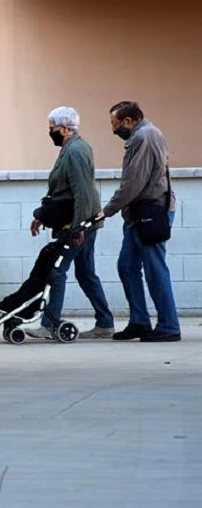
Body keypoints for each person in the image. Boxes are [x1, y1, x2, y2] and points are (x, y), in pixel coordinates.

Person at [25, 107, 114, 340]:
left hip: (78, 224)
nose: (50, 132)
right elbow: (60, 189)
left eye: (52, 128)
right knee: (85, 273)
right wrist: (42, 215)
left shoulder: (75, 151)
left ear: (64, 128)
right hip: (81, 221)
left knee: (56, 271)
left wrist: (78, 227)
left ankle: (49, 324)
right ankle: (105, 322)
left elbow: (82, 192)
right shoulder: (71, 148)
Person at [100, 102, 180, 342]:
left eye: (115, 124)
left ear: (128, 121)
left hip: (151, 211)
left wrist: (108, 209)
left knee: (155, 270)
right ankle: (139, 322)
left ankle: (168, 326)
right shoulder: (145, 134)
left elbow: (133, 182)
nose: (113, 129)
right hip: (140, 212)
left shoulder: (143, 136)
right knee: (127, 265)